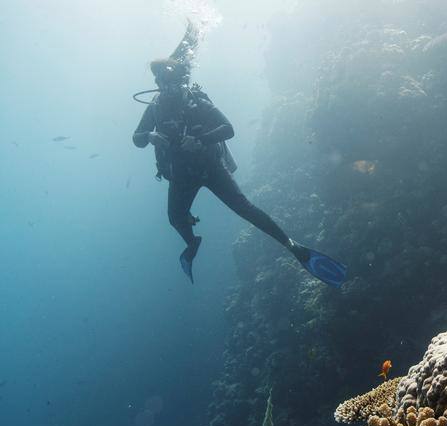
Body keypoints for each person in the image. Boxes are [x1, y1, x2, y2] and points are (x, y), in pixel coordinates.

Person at [132, 58, 346, 286]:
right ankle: (192, 243)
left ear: (181, 82)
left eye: (173, 84)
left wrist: (200, 140)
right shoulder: (155, 108)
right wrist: (149, 136)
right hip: (181, 175)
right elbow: (137, 138)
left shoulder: (196, 103)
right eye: (163, 84)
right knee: (175, 217)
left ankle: (291, 244)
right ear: (158, 83)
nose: (169, 90)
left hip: (210, 167)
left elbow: (228, 129)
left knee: (244, 208)